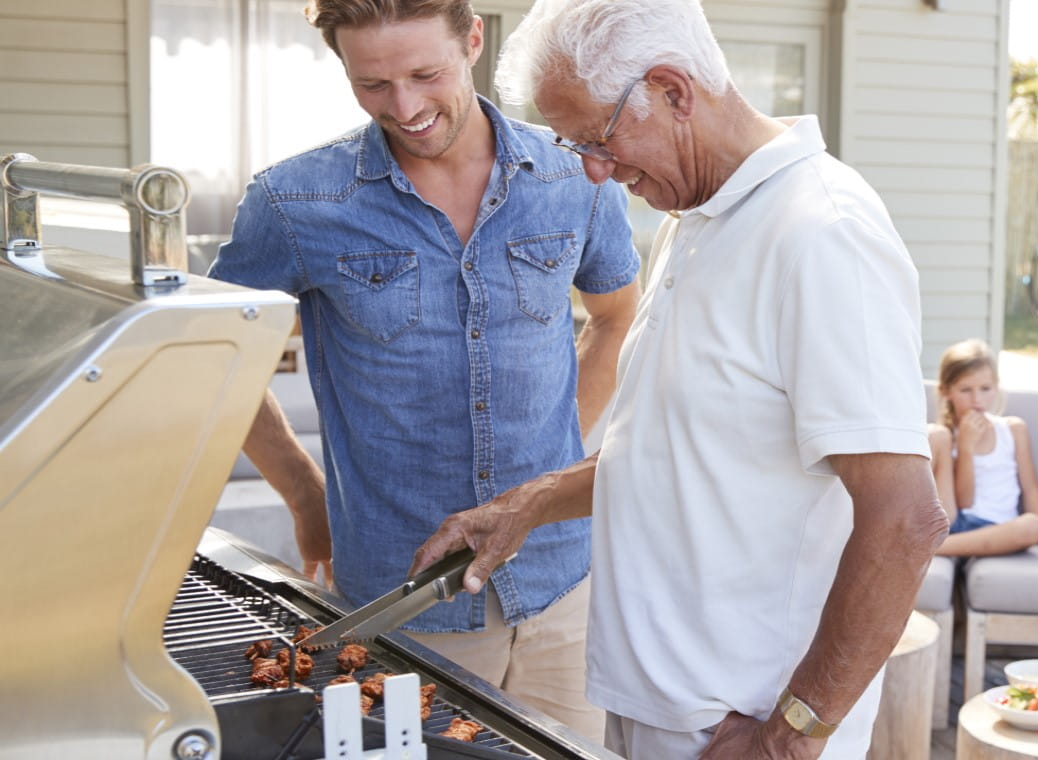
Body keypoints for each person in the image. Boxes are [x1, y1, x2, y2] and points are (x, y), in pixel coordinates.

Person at [407, 0, 948, 757]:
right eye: (575, 146)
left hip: (739, 724)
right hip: (658, 707)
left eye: (598, 138)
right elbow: (678, 451)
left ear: (671, 89)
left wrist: (789, 737)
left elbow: (905, 519)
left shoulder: (824, 235)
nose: (596, 169)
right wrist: (526, 506)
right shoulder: (692, 219)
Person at [208, 0, 639, 742]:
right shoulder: (296, 202)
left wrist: (551, 470)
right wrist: (307, 498)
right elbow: (215, 360)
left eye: (424, 73)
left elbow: (615, 316)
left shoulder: (575, 176)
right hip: (403, 602)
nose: (403, 107)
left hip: (562, 582)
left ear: (472, 40)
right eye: (372, 83)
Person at [928, 339, 1038, 556]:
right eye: (965, 390)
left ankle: (930, 549)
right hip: (955, 521)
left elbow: (1030, 488)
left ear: (996, 386)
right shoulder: (947, 437)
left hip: (1000, 530)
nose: (977, 400)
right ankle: (933, 545)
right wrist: (965, 447)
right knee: (936, 435)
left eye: (985, 389)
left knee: (1032, 525)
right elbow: (965, 502)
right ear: (946, 391)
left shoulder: (1013, 430)